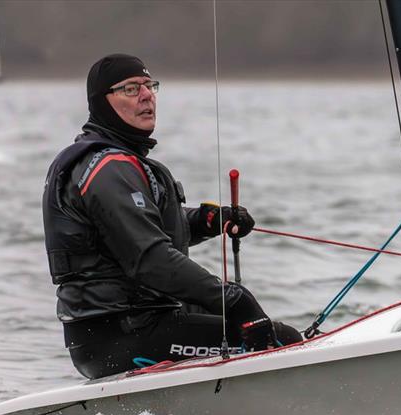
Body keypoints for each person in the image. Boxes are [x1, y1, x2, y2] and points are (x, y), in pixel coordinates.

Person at [43, 53, 301, 379]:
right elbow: (149, 258)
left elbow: (142, 228)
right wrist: (236, 300)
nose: (147, 95)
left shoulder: (114, 160)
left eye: (150, 85)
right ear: (102, 103)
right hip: (124, 335)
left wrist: (208, 220)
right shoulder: (108, 169)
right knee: (282, 339)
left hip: (123, 330)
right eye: (131, 88)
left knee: (251, 326)